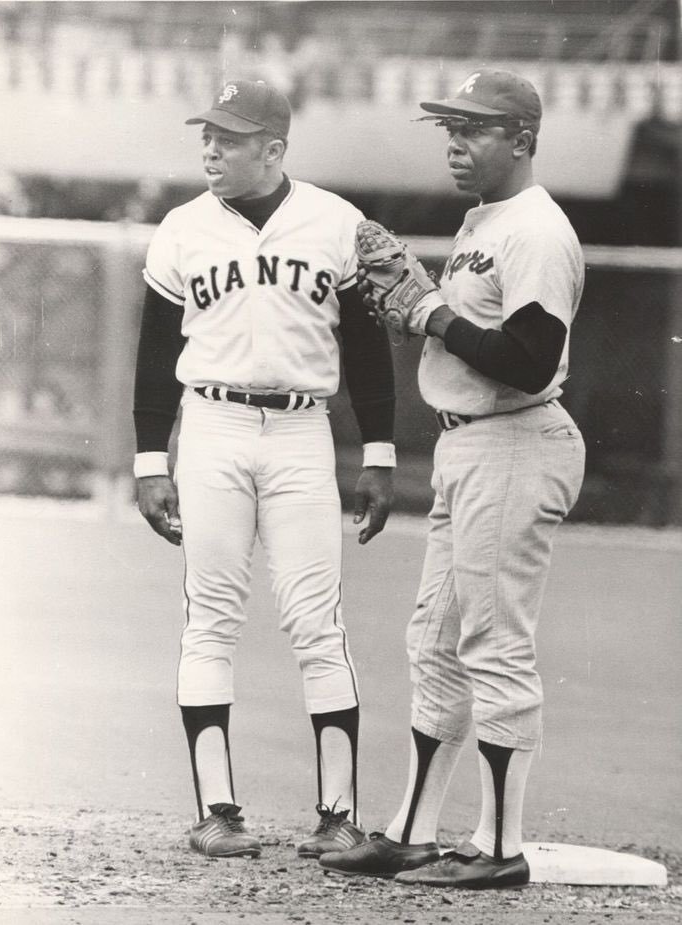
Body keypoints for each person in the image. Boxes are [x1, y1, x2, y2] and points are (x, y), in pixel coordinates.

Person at [319, 69, 586, 889]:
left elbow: (529, 358)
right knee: (433, 639)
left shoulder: (534, 231)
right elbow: (474, 342)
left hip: (514, 441)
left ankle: (499, 846)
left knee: (492, 642)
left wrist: (432, 312)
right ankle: (411, 830)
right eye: (448, 129)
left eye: (473, 129)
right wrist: (427, 315)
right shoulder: (485, 221)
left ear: (522, 139)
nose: (455, 144)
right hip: (470, 444)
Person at [132, 79, 396, 860]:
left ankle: (337, 812)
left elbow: (366, 349)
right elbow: (154, 355)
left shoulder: (335, 222)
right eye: (206, 135)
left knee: (317, 621)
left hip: (300, 430)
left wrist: (378, 450)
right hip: (209, 423)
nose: (209, 149)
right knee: (210, 615)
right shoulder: (182, 229)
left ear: (273, 148)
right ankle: (217, 808)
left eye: (229, 138)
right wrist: (153, 458)